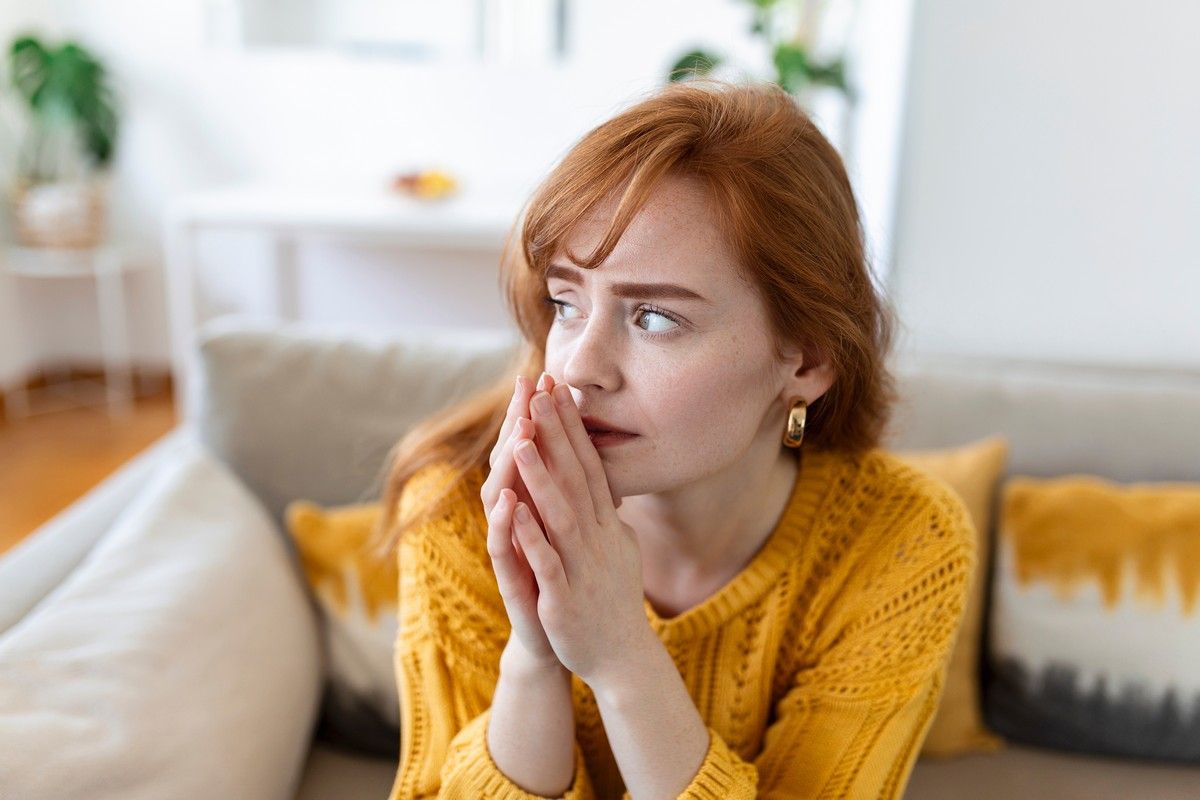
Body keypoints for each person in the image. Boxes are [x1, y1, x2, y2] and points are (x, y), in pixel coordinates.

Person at [371, 78, 976, 799]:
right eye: (566, 302)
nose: (578, 367)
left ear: (807, 359)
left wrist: (622, 656)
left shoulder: (900, 543)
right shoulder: (459, 510)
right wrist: (535, 656)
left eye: (656, 317)